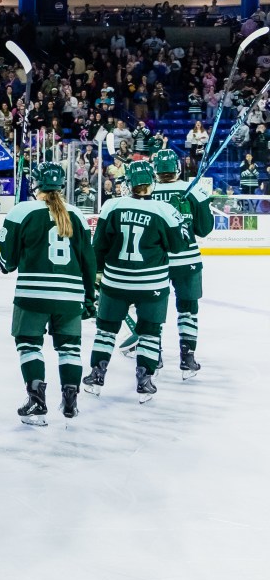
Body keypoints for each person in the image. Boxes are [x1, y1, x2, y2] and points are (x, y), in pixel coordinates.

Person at [0, 163, 97, 424]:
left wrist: (6, 263)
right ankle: (70, 400)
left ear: (36, 184)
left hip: (33, 293)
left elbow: (8, 259)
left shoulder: (22, 211)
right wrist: (88, 297)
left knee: (29, 345)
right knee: (69, 348)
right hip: (70, 294)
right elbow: (88, 261)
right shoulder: (76, 214)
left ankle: (37, 400)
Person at [84, 159, 189, 402]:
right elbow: (179, 245)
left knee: (106, 330)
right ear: (152, 183)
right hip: (152, 285)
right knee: (150, 333)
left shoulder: (112, 206)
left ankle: (96, 374)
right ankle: (145, 380)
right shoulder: (164, 210)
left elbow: (98, 246)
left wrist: (96, 275)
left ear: (129, 184)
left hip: (116, 283)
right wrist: (180, 215)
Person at [119, 150, 211, 376]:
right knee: (188, 309)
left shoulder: (145, 190)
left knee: (150, 312)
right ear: (177, 168)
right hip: (187, 261)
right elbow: (204, 229)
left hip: (153, 264)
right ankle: (187, 357)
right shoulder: (194, 191)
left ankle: (154, 354)